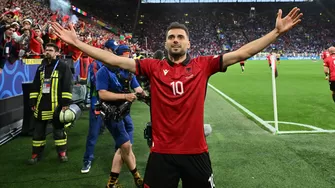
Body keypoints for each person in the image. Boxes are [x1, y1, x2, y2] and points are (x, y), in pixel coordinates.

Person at [51, 7, 302, 187]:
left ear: (189, 43)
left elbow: (241, 53)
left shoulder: (204, 65)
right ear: (166, 42)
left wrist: (275, 33)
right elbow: (113, 59)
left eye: (180, 37)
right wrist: (78, 44)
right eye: (171, 37)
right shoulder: (151, 66)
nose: (175, 40)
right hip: (162, 153)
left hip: (196, 153)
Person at [96, 44, 145, 187]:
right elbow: (102, 94)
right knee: (125, 146)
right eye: (124, 57)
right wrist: (125, 95)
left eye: (128, 56)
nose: (127, 60)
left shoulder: (129, 71)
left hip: (124, 113)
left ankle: (112, 183)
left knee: (124, 148)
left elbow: (138, 89)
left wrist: (149, 97)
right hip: (112, 114)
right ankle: (136, 177)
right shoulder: (103, 72)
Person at [28, 43, 73, 164]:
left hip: (57, 106)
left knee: (59, 131)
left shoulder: (63, 66)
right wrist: (33, 100)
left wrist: (65, 103)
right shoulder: (40, 67)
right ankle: (35, 154)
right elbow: (35, 84)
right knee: (38, 132)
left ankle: (62, 153)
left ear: (57, 53)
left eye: (51, 50)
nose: (47, 52)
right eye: (46, 50)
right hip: (41, 105)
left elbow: (67, 85)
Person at [81, 39, 119, 174]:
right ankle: (87, 159)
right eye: (111, 49)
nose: (113, 52)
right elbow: (99, 83)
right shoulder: (96, 64)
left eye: (114, 50)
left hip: (112, 101)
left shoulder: (114, 62)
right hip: (98, 102)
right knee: (93, 133)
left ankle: (119, 157)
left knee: (119, 131)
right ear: (106, 49)